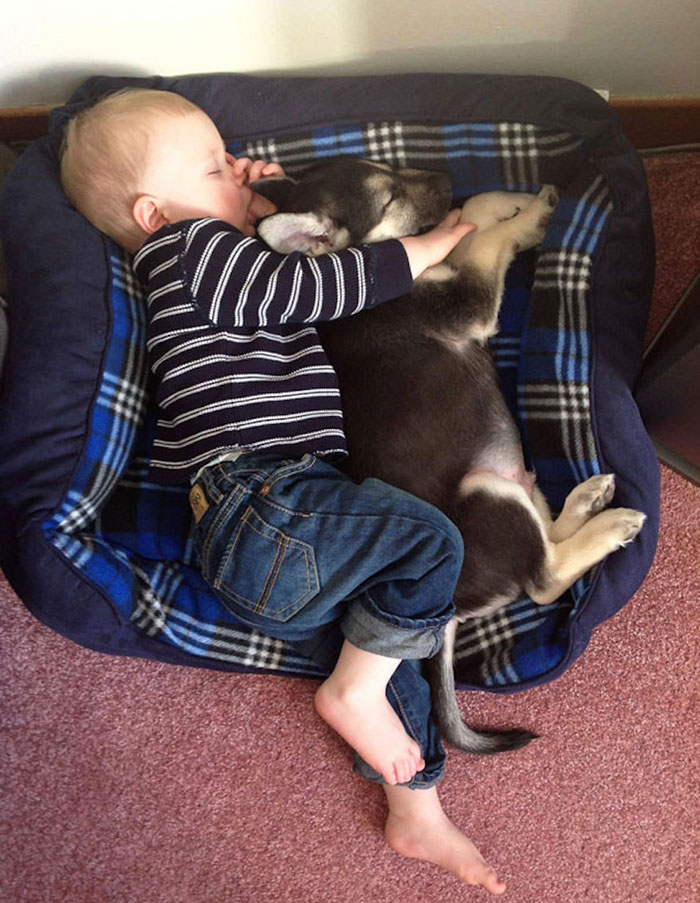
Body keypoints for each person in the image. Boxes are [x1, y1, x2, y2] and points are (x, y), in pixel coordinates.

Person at [60, 87, 506, 894]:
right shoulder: (190, 252)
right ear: (154, 211)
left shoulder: (203, 263)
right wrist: (427, 249)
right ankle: (354, 699)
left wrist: (256, 195)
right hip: (268, 502)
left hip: (271, 547)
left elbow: (277, 255)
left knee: (386, 654)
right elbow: (310, 287)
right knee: (431, 542)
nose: (235, 169)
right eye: (213, 164)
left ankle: (418, 809)